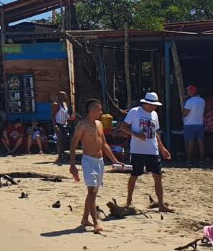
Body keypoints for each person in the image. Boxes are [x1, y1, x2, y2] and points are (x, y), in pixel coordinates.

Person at [69, 99, 123, 233]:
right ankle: (95, 223)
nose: (101, 112)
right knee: (92, 192)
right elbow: (73, 144)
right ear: (92, 110)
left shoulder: (99, 124)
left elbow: (104, 144)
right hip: (88, 161)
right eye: (99, 109)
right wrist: (72, 165)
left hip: (100, 162)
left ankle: (84, 219)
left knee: (93, 192)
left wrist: (115, 160)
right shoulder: (82, 125)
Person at [117, 92, 173, 212]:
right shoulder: (135, 111)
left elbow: (156, 133)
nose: (154, 107)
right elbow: (123, 126)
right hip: (137, 150)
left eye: (155, 104)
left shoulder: (154, 114)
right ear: (145, 103)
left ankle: (161, 204)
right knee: (135, 175)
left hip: (153, 150)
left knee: (158, 176)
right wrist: (136, 134)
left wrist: (162, 149)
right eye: (152, 104)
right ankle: (128, 201)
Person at [182, 85, 205, 165]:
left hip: (190, 124)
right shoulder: (202, 100)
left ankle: (189, 160)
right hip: (200, 123)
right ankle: (201, 160)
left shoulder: (189, 101)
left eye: (188, 91)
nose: (187, 92)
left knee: (190, 142)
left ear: (191, 91)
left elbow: (185, 113)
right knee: (200, 142)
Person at [51, 91, 73, 163]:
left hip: (64, 124)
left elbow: (66, 115)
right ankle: (59, 157)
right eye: (63, 95)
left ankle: (63, 154)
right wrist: (55, 126)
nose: (65, 97)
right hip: (58, 124)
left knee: (65, 139)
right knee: (60, 140)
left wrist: (70, 118)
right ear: (59, 96)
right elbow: (53, 116)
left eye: (65, 95)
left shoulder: (65, 104)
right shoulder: (56, 104)